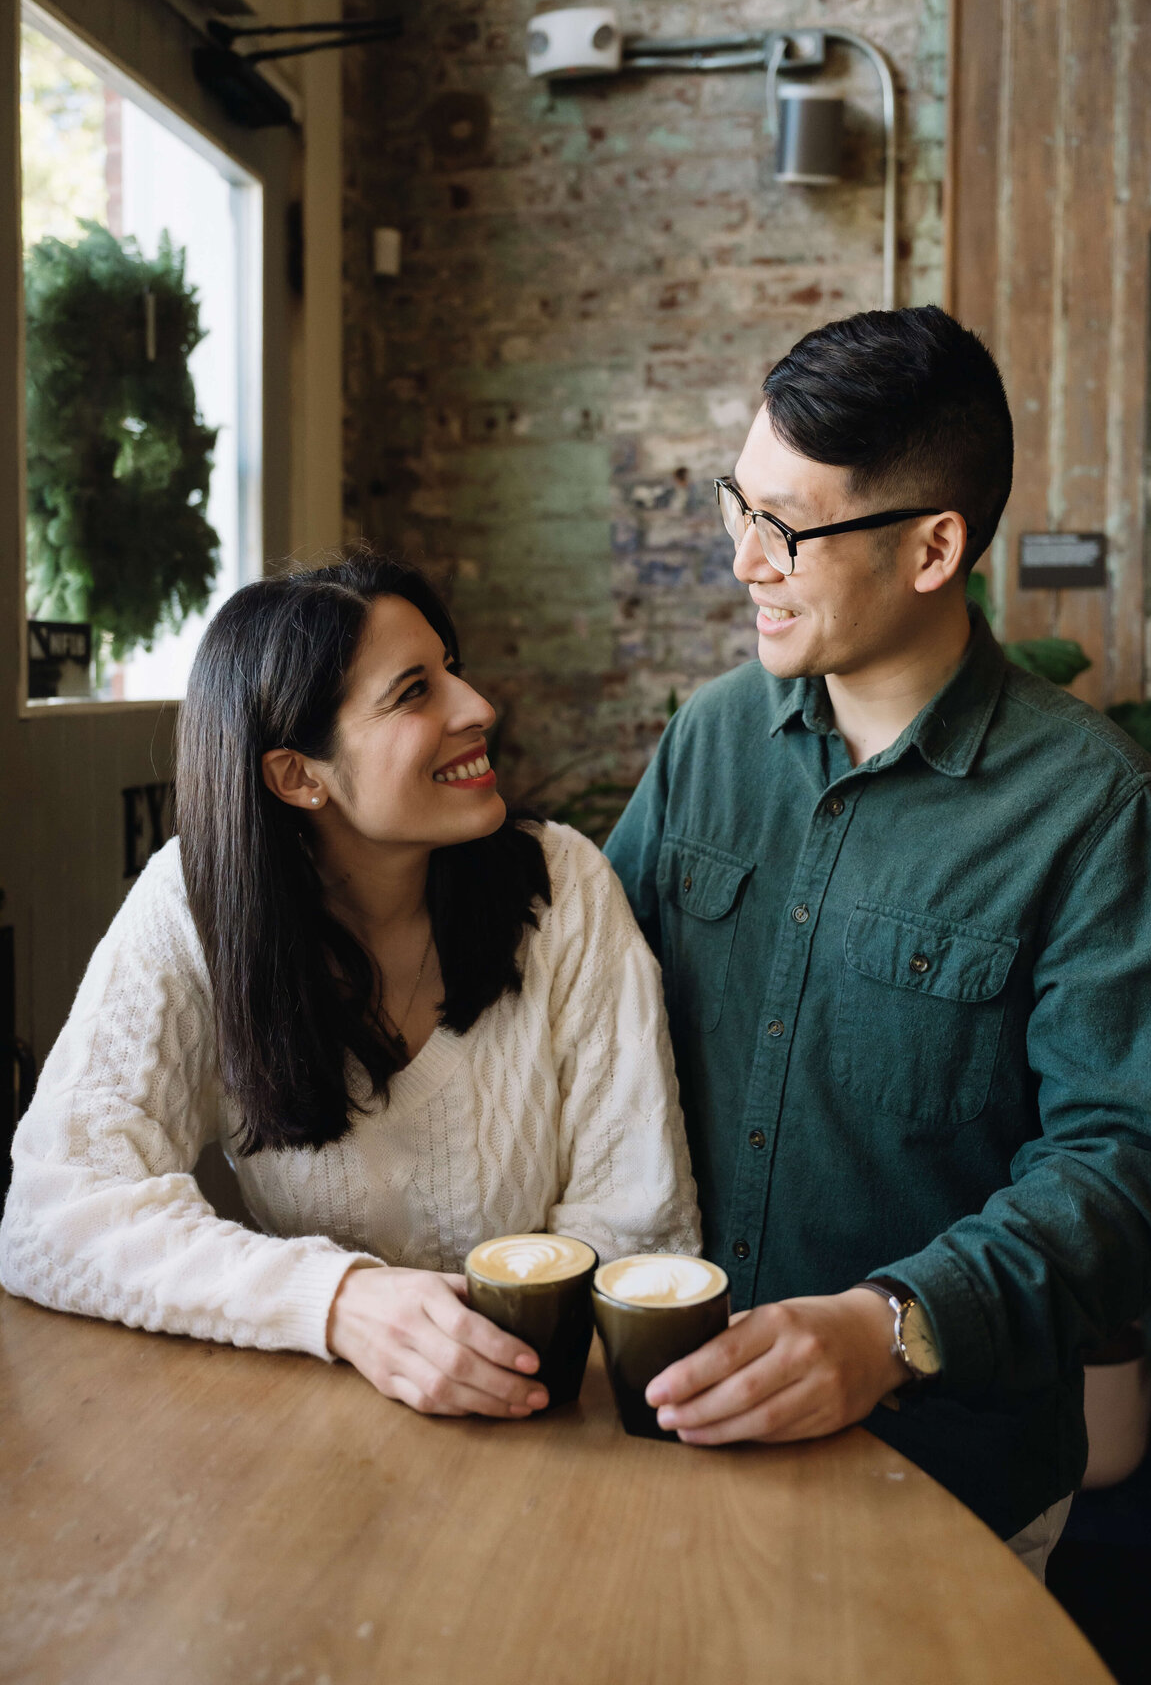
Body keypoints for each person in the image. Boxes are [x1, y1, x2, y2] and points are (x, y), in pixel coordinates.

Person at [605, 305, 1151, 1579]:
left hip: (946, 1483)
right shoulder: (710, 738)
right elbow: (578, 1001)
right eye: (736, 508)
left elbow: (1130, 1166)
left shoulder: (1093, 811)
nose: (744, 563)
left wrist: (891, 1327)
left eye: (785, 530)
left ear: (935, 547)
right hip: (665, 1433)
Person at [0, 554, 699, 1419]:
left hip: (552, 1425)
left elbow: (638, 1235)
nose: (478, 708)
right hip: (320, 1428)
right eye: (413, 692)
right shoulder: (194, 908)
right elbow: (52, 1212)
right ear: (298, 776)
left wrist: (481, 1368)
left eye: (453, 668)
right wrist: (341, 1302)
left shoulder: (565, 891)